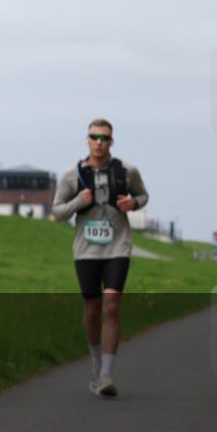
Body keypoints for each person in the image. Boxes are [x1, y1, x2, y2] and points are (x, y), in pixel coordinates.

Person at [52, 119, 149, 398]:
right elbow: (58, 212)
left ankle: (107, 374)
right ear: (87, 140)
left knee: (112, 306)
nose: (99, 142)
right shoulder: (72, 175)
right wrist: (77, 203)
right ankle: (95, 364)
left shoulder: (127, 171)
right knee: (93, 310)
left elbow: (143, 195)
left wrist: (134, 203)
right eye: (94, 137)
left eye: (104, 138)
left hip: (118, 246)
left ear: (111, 142)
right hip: (86, 249)